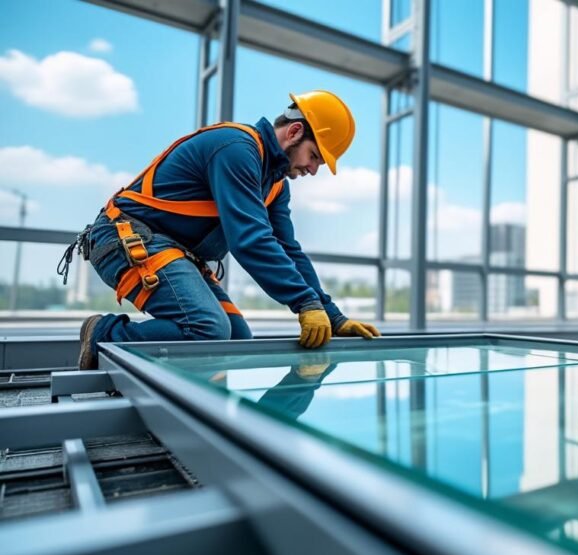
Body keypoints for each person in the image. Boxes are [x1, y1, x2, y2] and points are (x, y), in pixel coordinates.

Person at [63, 90, 381, 370]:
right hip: (124, 237)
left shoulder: (274, 186)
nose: (312, 170)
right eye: (314, 157)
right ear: (295, 131)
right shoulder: (236, 149)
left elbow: (288, 250)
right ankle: (103, 333)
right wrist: (304, 303)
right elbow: (250, 240)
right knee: (207, 330)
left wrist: (332, 315)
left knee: (236, 338)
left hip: (171, 250)